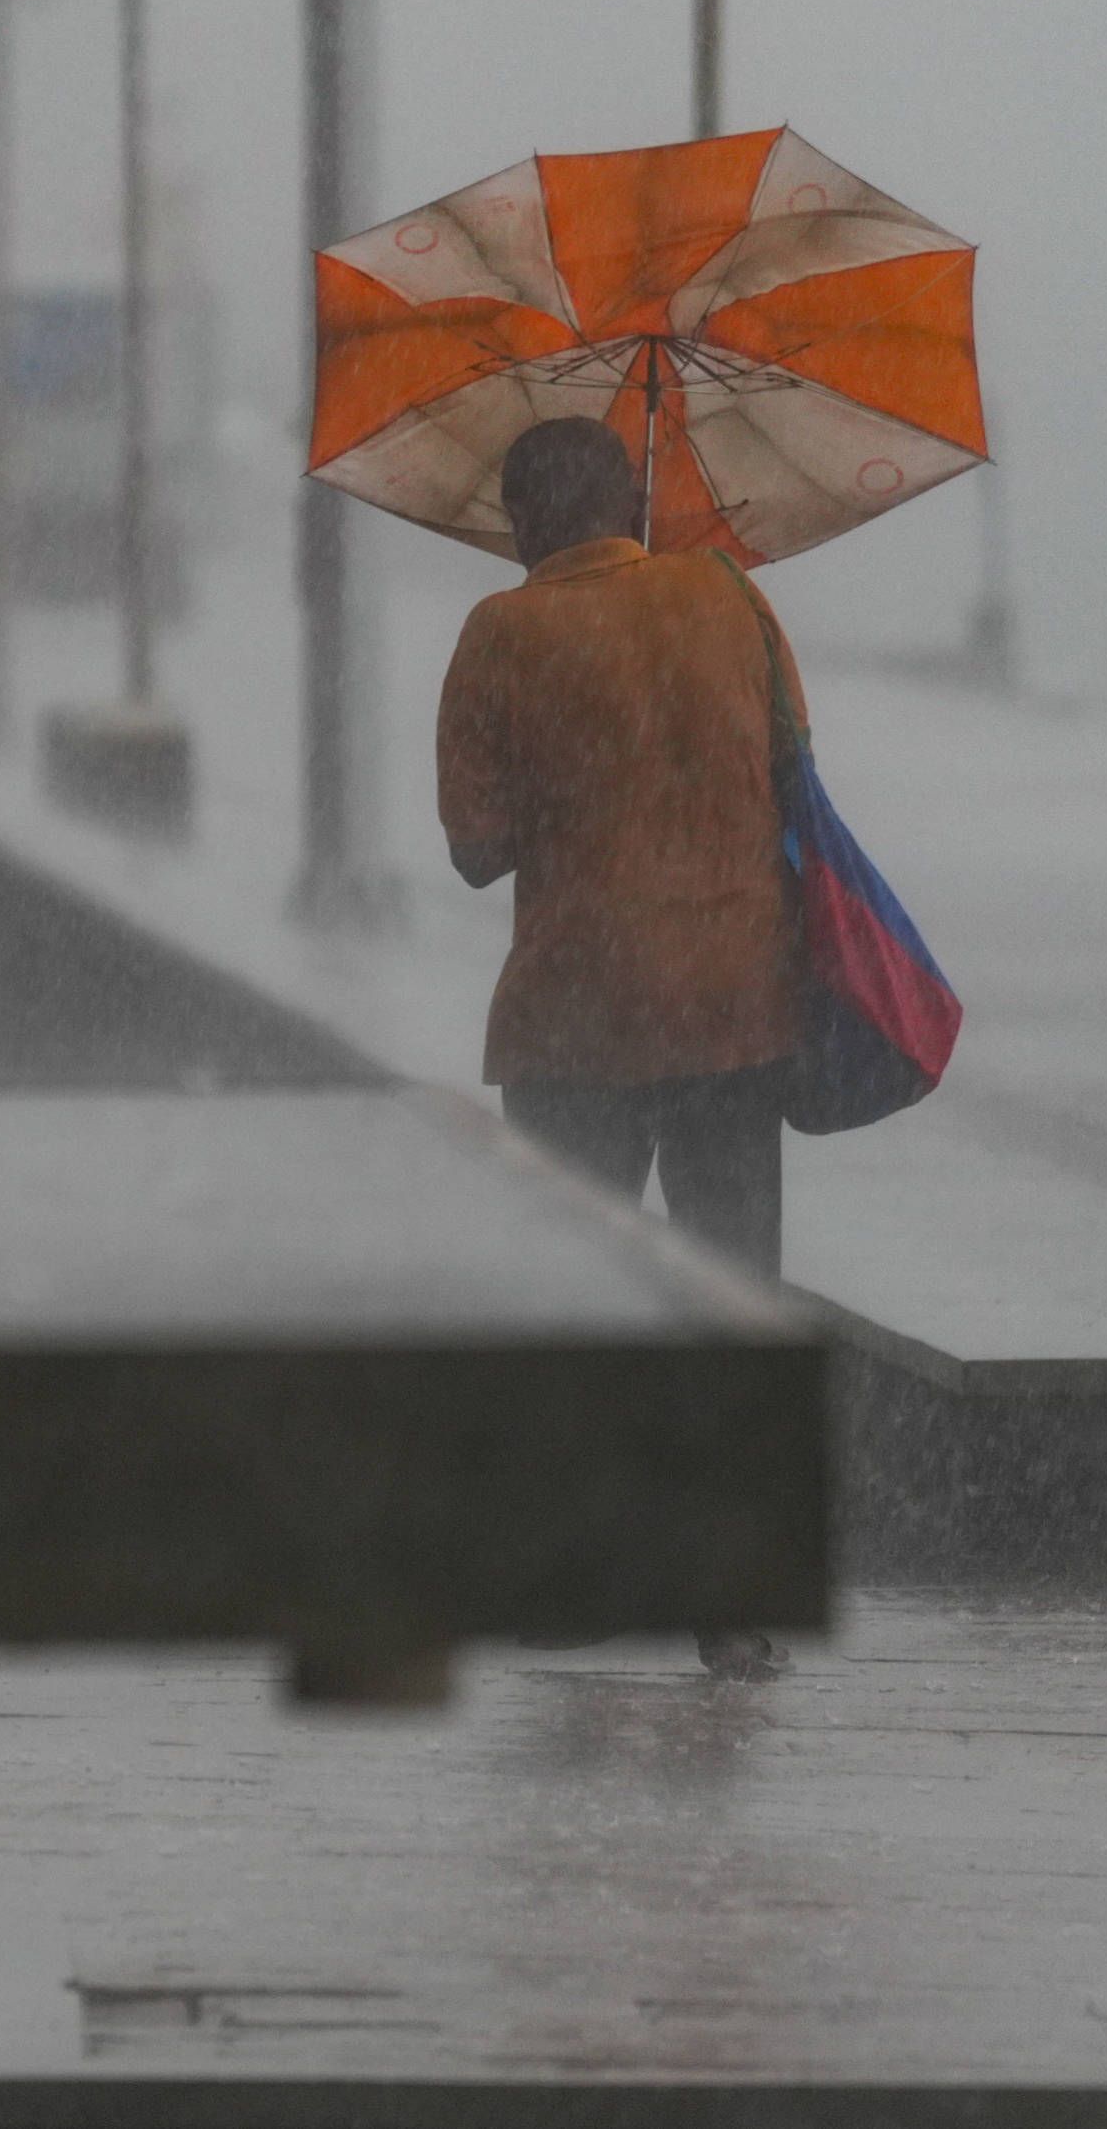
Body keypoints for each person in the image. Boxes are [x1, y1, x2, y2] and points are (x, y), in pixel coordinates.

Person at [436, 412, 811, 1676]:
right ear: (634, 504)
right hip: (730, 1001)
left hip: (576, 1014)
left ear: (523, 523)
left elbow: (476, 846)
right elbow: (793, 769)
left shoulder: (501, 631)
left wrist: (574, 770)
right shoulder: (730, 597)